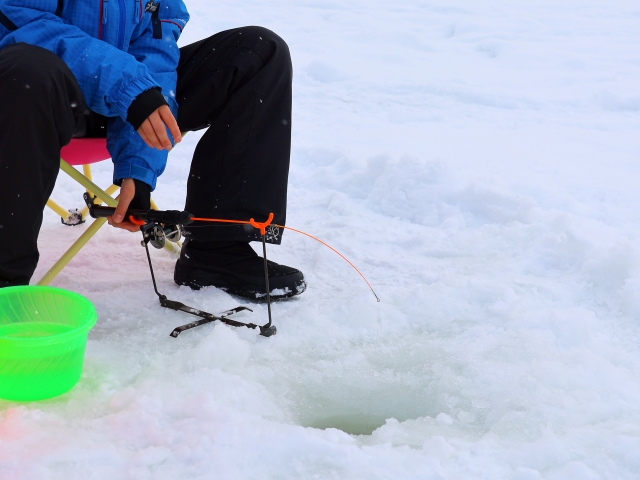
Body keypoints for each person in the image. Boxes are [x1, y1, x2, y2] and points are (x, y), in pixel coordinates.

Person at [0, 0, 306, 300]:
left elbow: (155, 57)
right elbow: (27, 26)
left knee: (257, 51)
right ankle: (5, 281)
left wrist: (139, 167)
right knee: (29, 68)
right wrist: (129, 88)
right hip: (35, 98)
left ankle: (219, 250)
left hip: (128, 103)